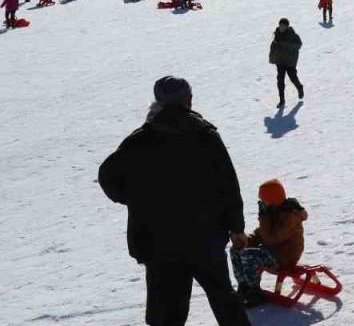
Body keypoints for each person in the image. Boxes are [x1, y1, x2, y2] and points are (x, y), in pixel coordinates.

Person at [99, 77, 251, 326]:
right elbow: (228, 187)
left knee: (166, 313)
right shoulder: (205, 136)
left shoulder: (138, 142)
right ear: (188, 100)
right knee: (225, 302)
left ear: (158, 102)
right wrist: (236, 228)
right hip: (206, 238)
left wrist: (136, 198)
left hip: (159, 243)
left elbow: (108, 177)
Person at [230, 179, 309, 307]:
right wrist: (246, 240)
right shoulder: (274, 211)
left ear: (272, 199)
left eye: (264, 200)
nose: (262, 203)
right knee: (236, 250)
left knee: (249, 255)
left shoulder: (291, 216)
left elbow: (271, 238)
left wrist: (264, 217)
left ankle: (254, 292)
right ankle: (244, 286)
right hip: (273, 252)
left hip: (285, 257)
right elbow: (261, 233)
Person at [269, 18, 304, 108]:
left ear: (287, 26)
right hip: (280, 61)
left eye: (284, 25)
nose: (282, 27)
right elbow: (273, 46)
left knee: (293, 78)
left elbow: (299, 45)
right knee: (280, 80)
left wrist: (286, 45)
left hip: (290, 61)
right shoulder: (277, 34)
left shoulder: (293, 35)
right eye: (281, 25)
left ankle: (299, 87)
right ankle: (282, 100)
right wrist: (272, 58)